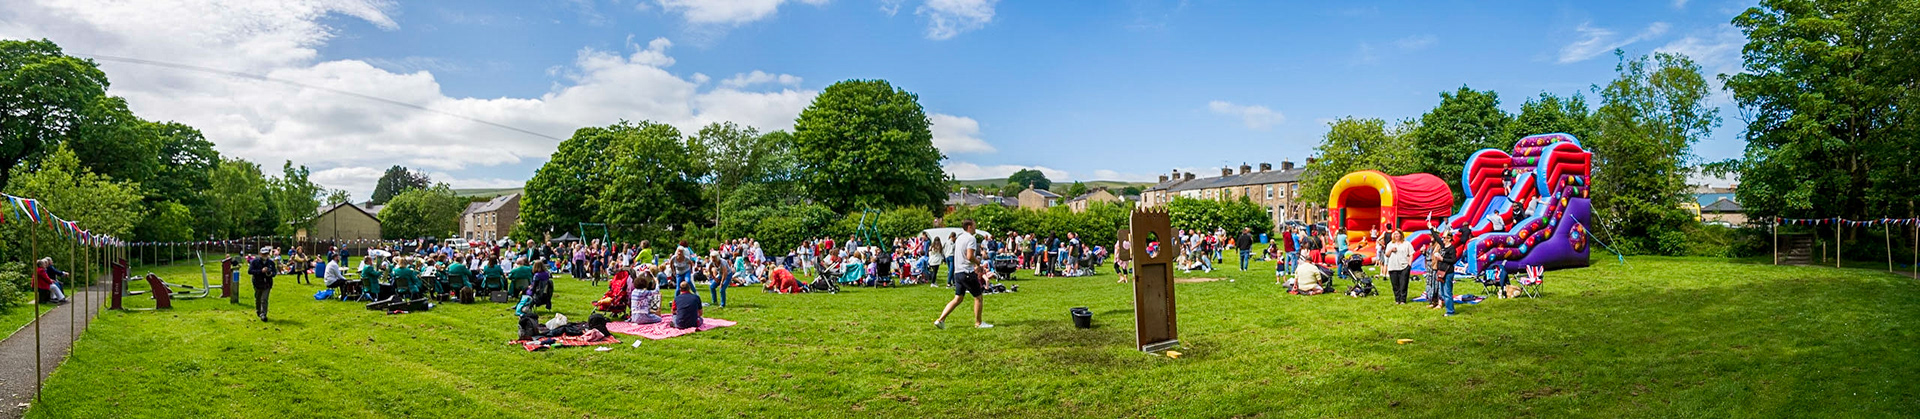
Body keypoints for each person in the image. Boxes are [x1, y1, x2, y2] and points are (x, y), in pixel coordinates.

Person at [934, 219, 992, 329]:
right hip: (967, 272)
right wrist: (978, 262)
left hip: (958, 273)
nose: (975, 228)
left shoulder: (959, 238)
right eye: (974, 226)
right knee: (978, 297)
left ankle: (940, 320)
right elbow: (969, 256)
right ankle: (978, 323)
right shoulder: (971, 238)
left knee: (958, 298)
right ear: (969, 227)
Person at [1381, 230, 1415, 305]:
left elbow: (1411, 254)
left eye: (1397, 234)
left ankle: (1403, 300)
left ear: (1401, 235)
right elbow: (1386, 254)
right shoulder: (1390, 244)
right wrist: (1391, 250)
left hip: (1404, 266)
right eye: (1395, 234)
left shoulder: (1406, 244)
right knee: (1395, 284)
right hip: (1393, 267)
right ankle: (1397, 299)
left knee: (1403, 284)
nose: (1396, 235)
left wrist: (1409, 264)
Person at [247, 247, 278, 322]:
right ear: (260, 254)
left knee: (264, 299)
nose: (265, 255)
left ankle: (263, 314)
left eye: (266, 254)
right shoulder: (255, 261)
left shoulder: (271, 262)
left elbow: (274, 272)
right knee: (258, 298)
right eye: (263, 254)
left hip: (267, 283)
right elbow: (250, 271)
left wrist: (270, 273)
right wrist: (261, 271)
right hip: (257, 283)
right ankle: (258, 310)